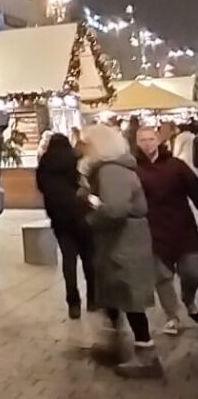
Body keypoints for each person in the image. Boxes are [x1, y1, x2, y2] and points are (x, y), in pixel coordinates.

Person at [80, 123, 161, 378]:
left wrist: (91, 209)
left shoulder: (111, 170)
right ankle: (119, 344)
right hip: (122, 243)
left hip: (123, 244)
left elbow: (115, 209)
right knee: (119, 296)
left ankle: (146, 356)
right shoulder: (113, 169)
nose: (82, 149)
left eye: (86, 144)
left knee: (130, 298)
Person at [133, 123, 198, 335]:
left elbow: (195, 190)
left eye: (151, 139)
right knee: (162, 277)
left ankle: (188, 300)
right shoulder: (134, 169)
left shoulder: (176, 165)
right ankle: (172, 316)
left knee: (192, 271)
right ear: (137, 142)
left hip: (183, 228)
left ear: (158, 140)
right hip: (153, 230)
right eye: (143, 140)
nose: (147, 144)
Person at [36, 133, 96, 318]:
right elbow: (83, 183)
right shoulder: (74, 160)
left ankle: (73, 303)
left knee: (69, 260)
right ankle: (93, 299)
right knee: (88, 258)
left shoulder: (44, 164)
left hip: (59, 220)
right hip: (81, 216)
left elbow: (41, 187)